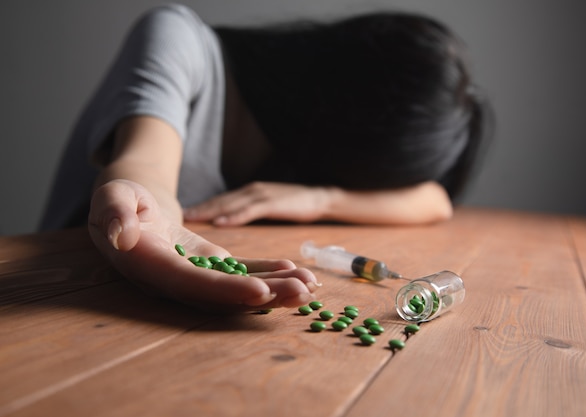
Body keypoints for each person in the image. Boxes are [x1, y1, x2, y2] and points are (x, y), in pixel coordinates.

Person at [39, 4, 493, 312]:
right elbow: (148, 164)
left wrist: (320, 199)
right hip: (61, 292)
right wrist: (147, 211)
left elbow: (435, 199)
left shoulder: (307, 164)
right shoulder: (179, 40)